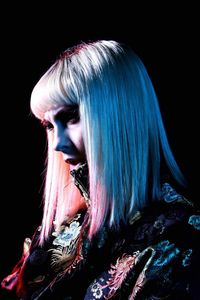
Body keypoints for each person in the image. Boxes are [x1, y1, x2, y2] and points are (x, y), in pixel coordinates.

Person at [1, 40, 200, 299]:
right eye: (49, 125)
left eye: (72, 117)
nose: (58, 144)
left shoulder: (179, 239)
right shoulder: (62, 226)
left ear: (120, 113)